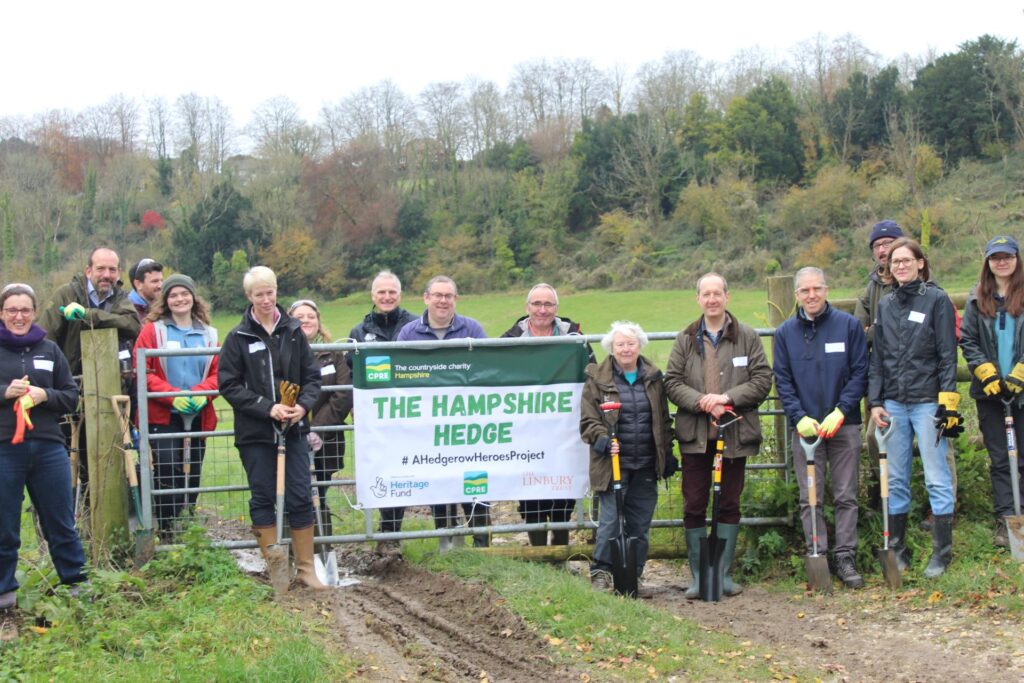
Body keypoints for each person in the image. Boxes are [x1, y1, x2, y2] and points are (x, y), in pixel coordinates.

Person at [664, 273, 772, 598]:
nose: (712, 299)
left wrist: (726, 399)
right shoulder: (686, 338)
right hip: (696, 436)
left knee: (729, 502)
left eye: (717, 293)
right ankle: (700, 577)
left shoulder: (747, 337)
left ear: (727, 296)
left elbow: (763, 379)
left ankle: (722, 575)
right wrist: (701, 402)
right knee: (694, 503)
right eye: (706, 294)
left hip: (734, 433)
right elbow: (671, 382)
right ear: (698, 299)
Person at [218, 266, 325, 590]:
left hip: (293, 429)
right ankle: (277, 572)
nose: (266, 299)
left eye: (270, 292)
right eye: (259, 294)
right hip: (255, 433)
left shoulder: (293, 331)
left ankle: (306, 571)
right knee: (263, 496)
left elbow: (312, 377)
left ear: (277, 292)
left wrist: (302, 406)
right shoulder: (238, 338)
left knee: (299, 495)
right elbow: (229, 385)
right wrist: (267, 408)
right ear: (249, 297)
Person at [869, 238, 962, 578]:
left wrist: (947, 403)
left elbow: (947, 354)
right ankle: (898, 548)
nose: (901, 266)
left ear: (921, 263)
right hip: (894, 403)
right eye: (895, 262)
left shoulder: (936, 299)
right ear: (888, 268)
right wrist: (876, 402)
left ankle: (942, 553)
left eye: (907, 260)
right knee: (895, 480)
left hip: (927, 403)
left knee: (936, 477)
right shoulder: (887, 304)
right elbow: (877, 358)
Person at [0, 283, 87, 641]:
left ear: (34, 312)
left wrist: (44, 394)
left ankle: (79, 595)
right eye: (12, 310)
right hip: (5, 449)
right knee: (5, 529)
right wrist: (4, 393)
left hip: (49, 449)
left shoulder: (50, 350)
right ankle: (6, 606)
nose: (19, 316)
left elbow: (71, 397)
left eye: (25, 309)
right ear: (2, 314)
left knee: (61, 523)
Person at [773, 268, 869, 589]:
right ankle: (817, 551)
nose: (811, 295)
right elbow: (783, 380)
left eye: (817, 288)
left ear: (826, 289)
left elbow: (860, 373)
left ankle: (845, 556)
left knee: (845, 494)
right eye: (805, 290)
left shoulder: (848, 326)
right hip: (806, 430)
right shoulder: (786, 333)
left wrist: (842, 411)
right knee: (810, 497)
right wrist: (798, 416)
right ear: (797, 295)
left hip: (844, 426)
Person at [580, 321, 675, 592]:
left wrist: (666, 453)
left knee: (640, 525)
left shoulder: (654, 378)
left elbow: (663, 420)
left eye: (630, 343)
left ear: (639, 345)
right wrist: (603, 440)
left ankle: (634, 575)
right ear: (611, 348)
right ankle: (602, 572)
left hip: (645, 463)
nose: (625, 349)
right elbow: (589, 420)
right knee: (610, 522)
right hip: (613, 465)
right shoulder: (598, 380)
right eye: (620, 344)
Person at [397, 275, 489, 548]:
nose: (443, 301)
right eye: (437, 295)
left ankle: (482, 541)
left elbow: (489, 367)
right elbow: (400, 374)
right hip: (429, 424)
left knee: (476, 479)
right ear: (426, 298)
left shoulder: (472, 328)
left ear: (455, 300)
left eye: (448, 296)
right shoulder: (409, 333)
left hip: (468, 421)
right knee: (438, 477)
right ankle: (445, 538)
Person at [501, 283, 593, 547]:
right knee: (529, 491)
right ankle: (538, 552)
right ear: (527, 307)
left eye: (548, 304)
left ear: (557, 308)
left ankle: (560, 551)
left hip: (563, 430)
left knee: (562, 491)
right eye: (537, 304)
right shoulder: (509, 340)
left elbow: (592, 374)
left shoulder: (575, 338)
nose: (542, 310)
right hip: (523, 432)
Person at [133, 274, 218, 537]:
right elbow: (142, 370)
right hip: (163, 416)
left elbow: (219, 371)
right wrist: (172, 396)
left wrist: (203, 394)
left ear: (193, 298)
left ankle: (188, 525)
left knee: (192, 472)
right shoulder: (153, 331)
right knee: (168, 471)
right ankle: (167, 529)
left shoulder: (208, 334)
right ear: (165, 301)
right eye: (173, 295)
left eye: (184, 294)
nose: (180, 299)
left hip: (196, 415)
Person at [960, 235, 1024, 548]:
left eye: (1007, 256)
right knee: (1000, 459)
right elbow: (968, 340)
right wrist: (985, 371)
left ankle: (1022, 516)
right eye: (995, 257)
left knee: (1022, 457)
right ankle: (1006, 519)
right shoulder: (977, 299)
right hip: (990, 395)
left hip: (1021, 392)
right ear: (987, 261)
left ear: (1016, 259)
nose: (1002, 262)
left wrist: (1020, 373)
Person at [347, 270, 417, 550]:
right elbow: (350, 374)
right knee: (383, 469)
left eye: (392, 292)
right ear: (372, 296)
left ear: (400, 295)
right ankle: (389, 532)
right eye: (381, 292)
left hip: (412, 413)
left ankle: (444, 531)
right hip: (376, 417)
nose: (387, 297)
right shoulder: (359, 332)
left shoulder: (414, 325)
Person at [289, 299, 352, 545]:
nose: (306, 321)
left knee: (320, 495)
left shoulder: (332, 353)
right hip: (292, 435)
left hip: (326, 440)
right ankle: (297, 549)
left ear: (318, 322)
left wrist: (317, 430)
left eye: (311, 317)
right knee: (296, 495)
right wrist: (301, 427)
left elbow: (343, 393)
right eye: (299, 317)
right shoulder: (283, 352)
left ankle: (324, 547)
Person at [37, 247, 142, 376]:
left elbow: (133, 325)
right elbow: (46, 337)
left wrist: (89, 315)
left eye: (112, 270)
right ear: (88, 271)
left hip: (112, 380)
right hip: (70, 380)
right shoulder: (66, 295)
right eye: (100, 269)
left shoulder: (121, 298)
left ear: (119, 273)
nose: (107, 275)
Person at [127, 258, 165, 323]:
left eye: (161, 280)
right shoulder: (128, 314)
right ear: (138, 284)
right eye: (155, 281)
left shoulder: (163, 308)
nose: (160, 285)